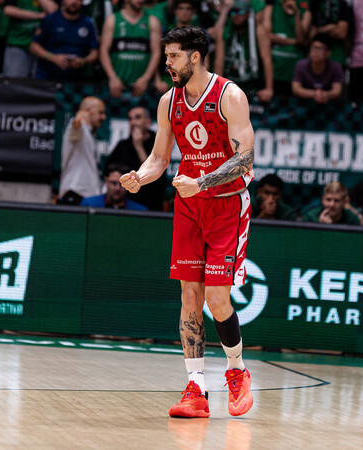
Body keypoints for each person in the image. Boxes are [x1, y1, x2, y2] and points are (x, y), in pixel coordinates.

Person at [119, 26, 255, 419]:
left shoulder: (229, 96)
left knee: (216, 299)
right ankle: (196, 388)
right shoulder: (168, 101)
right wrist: (141, 176)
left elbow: (246, 158)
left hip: (226, 205)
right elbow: (160, 158)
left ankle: (237, 370)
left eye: (173, 56)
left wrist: (203, 182)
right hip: (189, 207)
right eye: (166, 56)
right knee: (189, 297)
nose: (167, 63)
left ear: (195, 57)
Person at [105, 106, 166, 211]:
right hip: (126, 204)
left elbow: (159, 178)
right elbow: (107, 172)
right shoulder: (122, 145)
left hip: (151, 204)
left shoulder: (158, 143)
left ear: (148, 122)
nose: (133, 122)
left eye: (137, 118)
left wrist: (138, 145)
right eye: (130, 119)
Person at [99, 0, 163, 98]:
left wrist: (145, 78)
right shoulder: (112, 20)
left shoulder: (152, 21)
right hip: (116, 85)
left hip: (142, 86)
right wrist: (112, 78)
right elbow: (103, 51)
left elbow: (156, 53)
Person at [214, 0, 274, 102]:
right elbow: (219, 62)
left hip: (253, 84)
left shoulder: (259, 30)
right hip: (231, 82)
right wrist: (217, 88)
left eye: (241, 12)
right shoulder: (224, 31)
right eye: (233, 12)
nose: (236, 16)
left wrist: (269, 89)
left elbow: (267, 60)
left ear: (248, 14)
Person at [29, 0, 99, 81]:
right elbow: (34, 47)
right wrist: (53, 57)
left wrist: (83, 61)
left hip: (77, 79)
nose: (74, 2)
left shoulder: (88, 23)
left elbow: (95, 52)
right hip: (48, 77)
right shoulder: (51, 19)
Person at [57, 96, 106, 205]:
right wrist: (78, 118)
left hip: (88, 198)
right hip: (75, 195)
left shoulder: (89, 132)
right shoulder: (78, 127)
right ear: (88, 111)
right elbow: (75, 129)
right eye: (100, 112)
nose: (104, 117)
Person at [3, 0, 58, 78]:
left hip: (43, 47)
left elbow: (53, 10)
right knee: (14, 82)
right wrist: (39, 15)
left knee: (41, 83)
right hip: (18, 42)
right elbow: (8, 10)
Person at [266, 0, 307, 95]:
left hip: (295, 76)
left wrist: (297, 13)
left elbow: (301, 38)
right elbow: (266, 36)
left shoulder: (304, 10)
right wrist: (294, 41)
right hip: (274, 72)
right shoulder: (272, 8)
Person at [291, 33, 344, 103]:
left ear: (328, 53)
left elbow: (337, 91)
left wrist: (326, 95)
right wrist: (315, 94)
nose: (315, 52)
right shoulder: (301, 65)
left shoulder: (336, 67)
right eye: (313, 48)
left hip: (328, 103)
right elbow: (296, 88)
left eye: (319, 49)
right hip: (304, 103)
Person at [80, 163, 147, 210]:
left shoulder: (139, 211)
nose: (117, 188)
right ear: (106, 180)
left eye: (122, 184)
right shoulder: (89, 204)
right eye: (113, 183)